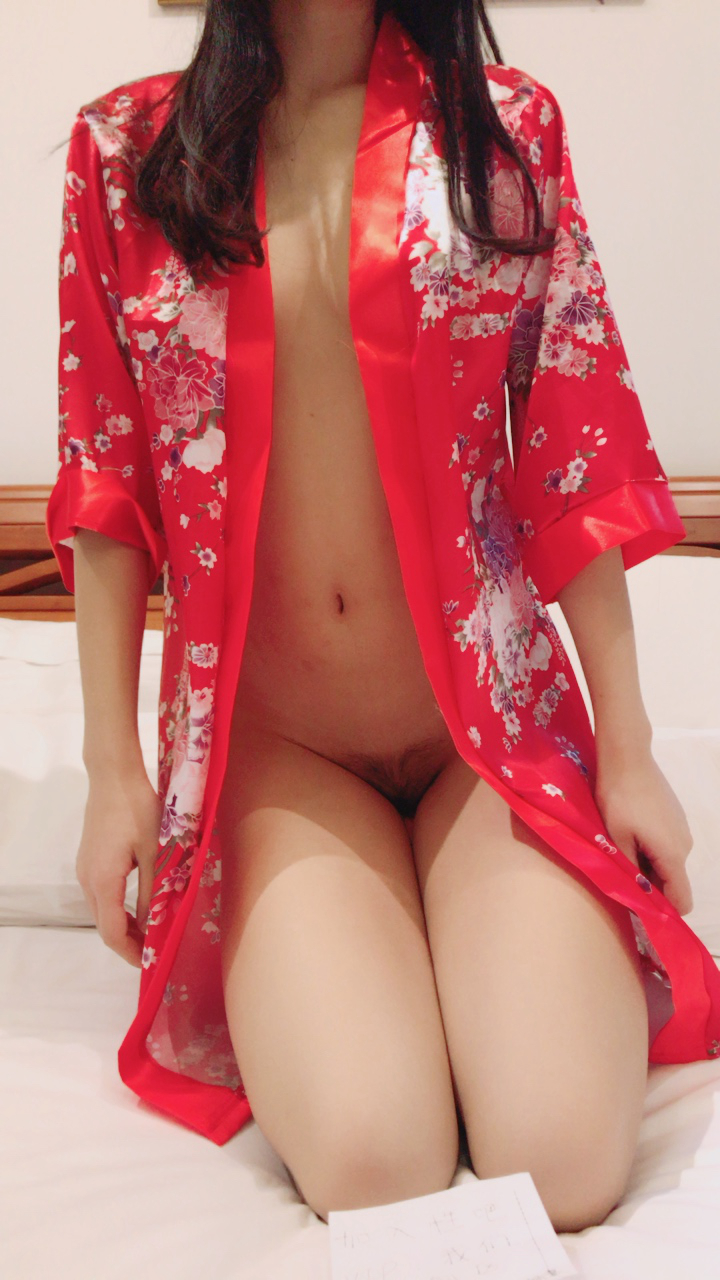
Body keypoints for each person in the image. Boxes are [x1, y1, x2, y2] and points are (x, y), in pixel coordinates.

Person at [45, 0, 720, 1233]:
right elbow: (107, 480)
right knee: (373, 1158)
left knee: (566, 1160)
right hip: (281, 751)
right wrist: (112, 770)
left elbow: (576, 437)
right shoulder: (127, 157)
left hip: (482, 738)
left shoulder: (503, 137)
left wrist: (626, 748)